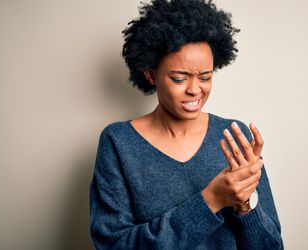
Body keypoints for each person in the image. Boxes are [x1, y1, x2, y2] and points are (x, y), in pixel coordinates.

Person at [89, 0, 283, 249]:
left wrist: (244, 203)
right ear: (151, 74)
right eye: (179, 78)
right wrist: (211, 200)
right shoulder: (118, 143)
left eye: (205, 77)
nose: (195, 90)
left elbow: (272, 247)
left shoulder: (236, 138)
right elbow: (113, 245)